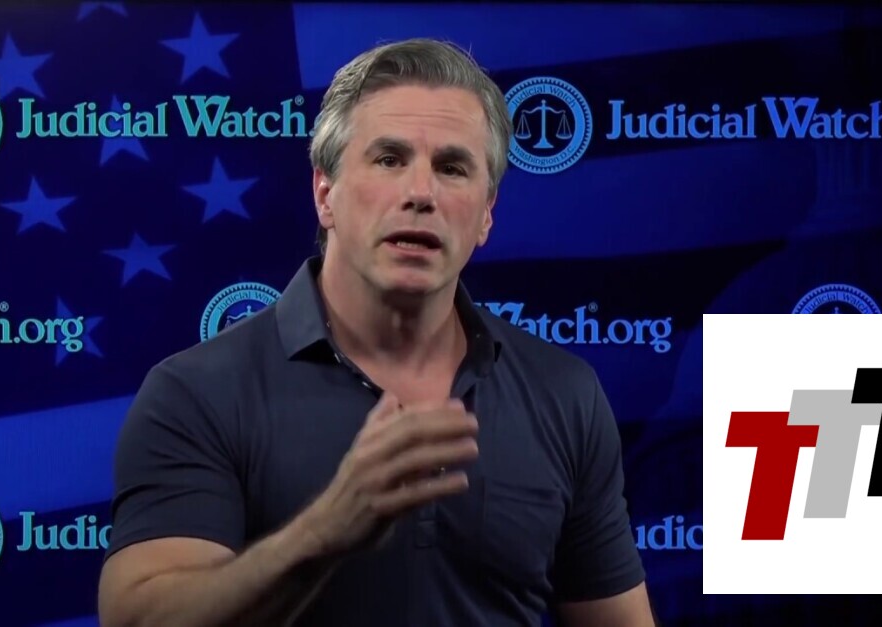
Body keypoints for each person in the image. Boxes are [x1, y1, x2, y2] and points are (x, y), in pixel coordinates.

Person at [97, 37, 655, 627]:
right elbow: (139, 620)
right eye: (389, 159)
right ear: (325, 193)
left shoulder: (563, 392)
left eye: (452, 168)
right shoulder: (198, 392)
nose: (420, 194)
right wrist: (323, 532)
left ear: (486, 214)